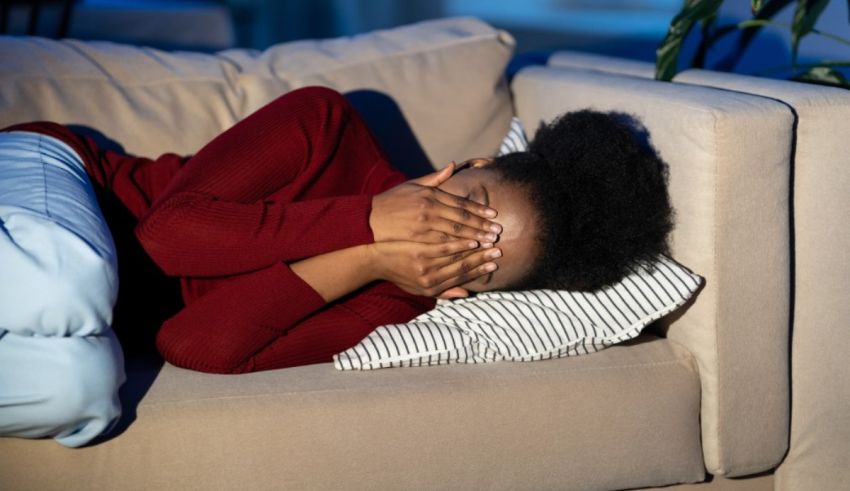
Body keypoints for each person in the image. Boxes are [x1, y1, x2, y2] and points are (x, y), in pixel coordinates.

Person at [0, 86, 673, 445]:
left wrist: (369, 256)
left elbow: (188, 343)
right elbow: (166, 237)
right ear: (462, 168)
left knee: (80, 391)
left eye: (477, 258)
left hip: (83, 323)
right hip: (61, 187)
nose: (446, 240)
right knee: (69, 282)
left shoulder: (386, 303)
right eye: (466, 210)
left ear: (468, 291)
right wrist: (372, 216)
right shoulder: (328, 125)